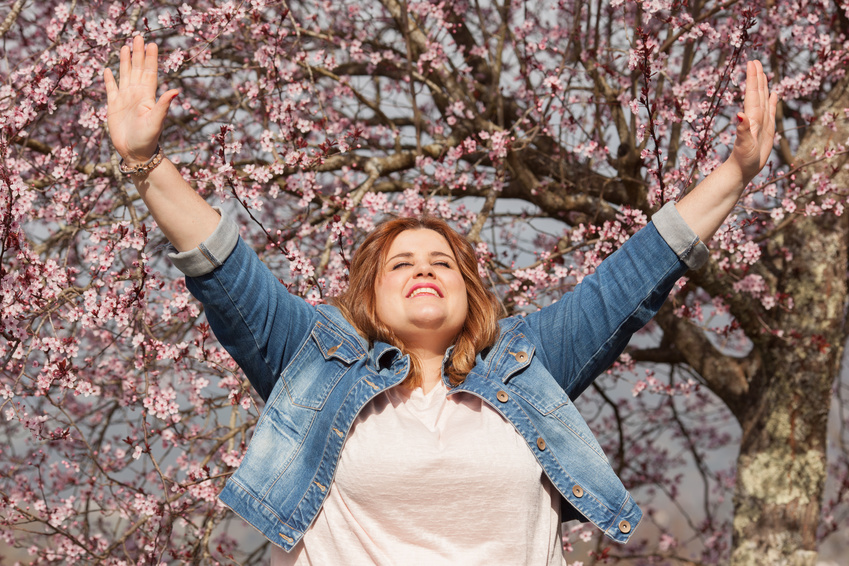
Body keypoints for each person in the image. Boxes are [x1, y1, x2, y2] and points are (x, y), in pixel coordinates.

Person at [104, 35, 777, 565]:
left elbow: (635, 273)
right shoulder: (309, 358)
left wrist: (736, 172)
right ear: (368, 293)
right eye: (401, 263)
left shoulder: (529, 360)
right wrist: (145, 163)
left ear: (469, 290)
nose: (423, 271)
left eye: (442, 263)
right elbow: (224, 268)